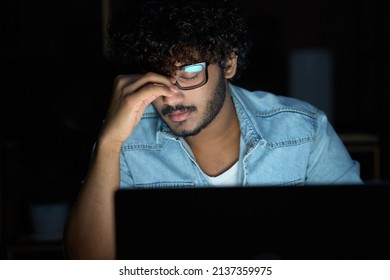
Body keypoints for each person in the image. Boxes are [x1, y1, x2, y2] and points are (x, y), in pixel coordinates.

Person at [63, 0, 363, 259]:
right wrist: (109, 141)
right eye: (158, 76)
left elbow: (359, 247)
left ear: (228, 63)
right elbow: (90, 265)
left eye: (191, 71)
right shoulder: (124, 141)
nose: (171, 95)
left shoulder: (304, 131)